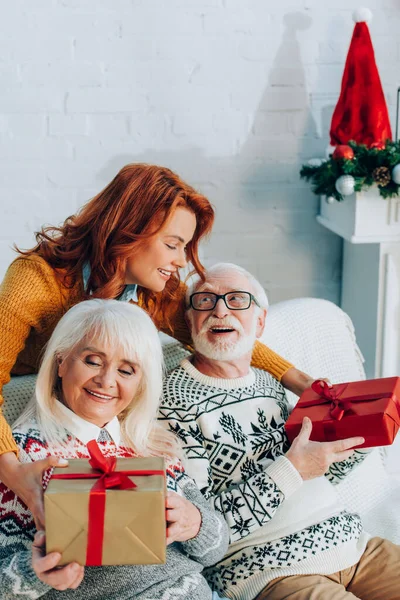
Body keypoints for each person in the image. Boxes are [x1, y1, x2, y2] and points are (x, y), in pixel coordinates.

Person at [0, 163, 317, 527]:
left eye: (185, 247)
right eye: (173, 245)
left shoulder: (152, 292)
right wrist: (13, 471)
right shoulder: (36, 278)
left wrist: (298, 380)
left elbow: (221, 330)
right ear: (129, 230)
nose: (181, 261)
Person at [159, 262, 400, 600]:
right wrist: (292, 469)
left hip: (356, 546)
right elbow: (204, 525)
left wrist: (359, 440)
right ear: (190, 320)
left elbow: (316, 474)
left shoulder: (269, 383)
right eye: (205, 301)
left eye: (237, 300)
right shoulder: (173, 402)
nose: (220, 310)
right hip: (268, 571)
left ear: (260, 321)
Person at [0, 299, 229, 599]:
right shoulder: (22, 458)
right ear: (61, 362)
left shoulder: (151, 442)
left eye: (126, 370)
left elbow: (216, 550)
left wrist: (195, 523)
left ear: (140, 383)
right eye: (93, 361)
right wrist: (37, 571)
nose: (106, 381)